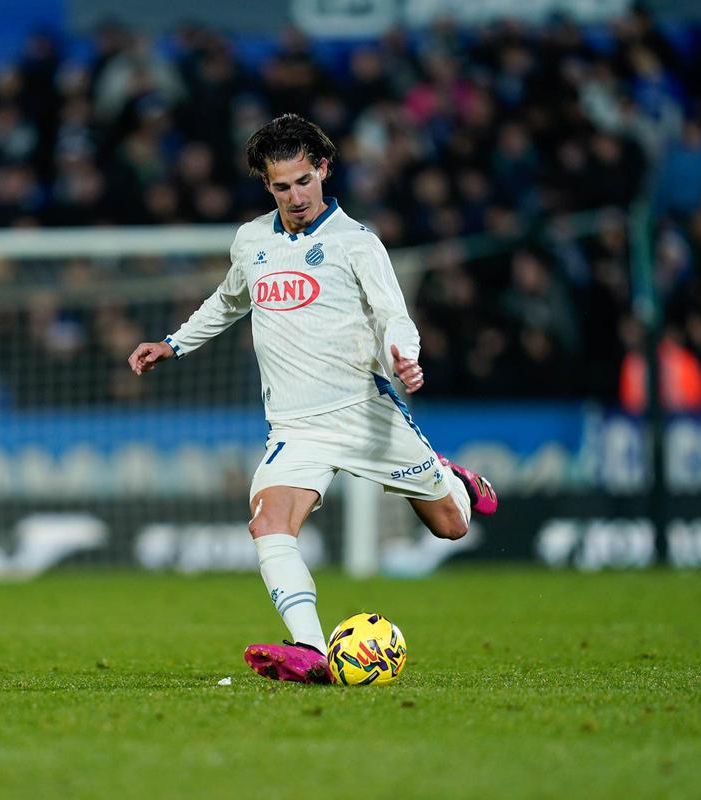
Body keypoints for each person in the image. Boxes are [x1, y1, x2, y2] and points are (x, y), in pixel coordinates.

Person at [127, 114, 498, 684]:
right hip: (294, 426)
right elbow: (228, 302)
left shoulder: (356, 242)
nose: (296, 196)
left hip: (364, 412)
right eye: (282, 186)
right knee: (268, 521)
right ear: (266, 185)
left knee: (451, 526)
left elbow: (393, 313)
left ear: (323, 170)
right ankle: (310, 649)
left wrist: (405, 354)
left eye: (304, 180)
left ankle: (457, 482)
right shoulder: (251, 241)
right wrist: (173, 344)